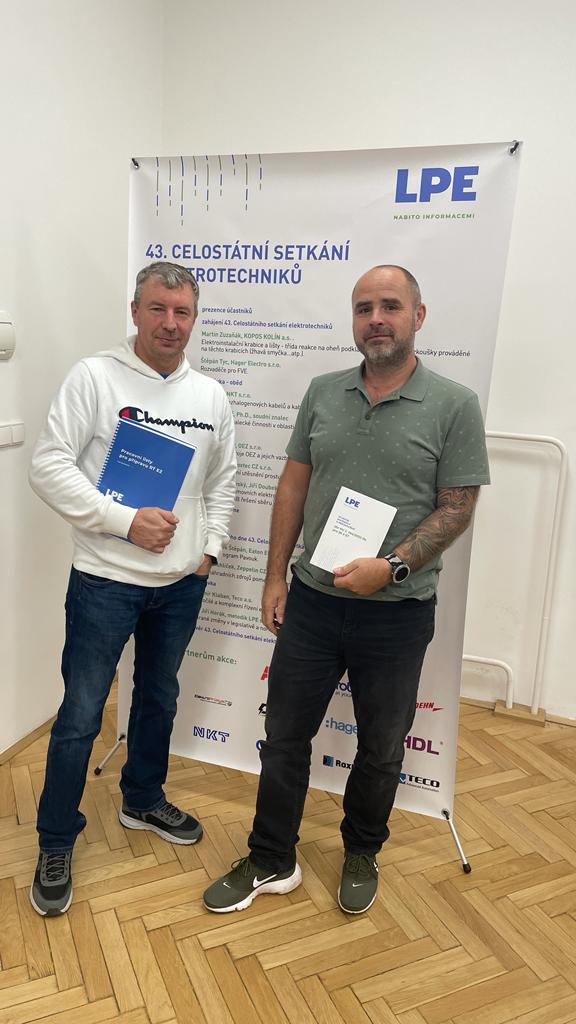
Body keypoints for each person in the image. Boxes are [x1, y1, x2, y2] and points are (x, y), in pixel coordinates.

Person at [203, 264, 489, 916]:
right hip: (312, 600)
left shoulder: (454, 405)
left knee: (382, 747)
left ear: (418, 315)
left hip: (397, 612)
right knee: (283, 737)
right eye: (364, 308)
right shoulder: (322, 392)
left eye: (390, 305)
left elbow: (456, 508)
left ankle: (362, 849)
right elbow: (293, 486)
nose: (376, 319)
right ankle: (271, 857)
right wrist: (275, 574)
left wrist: (391, 567)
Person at [29, 262, 236, 916]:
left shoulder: (210, 395)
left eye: (182, 312)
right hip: (104, 581)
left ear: (193, 318)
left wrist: (209, 549)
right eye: (157, 309)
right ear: (136, 310)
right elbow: (48, 465)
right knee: (81, 714)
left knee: (157, 699)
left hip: (179, 586)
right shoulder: (95, 376)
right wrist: (122, 521)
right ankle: (56, 838)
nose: (170, 323)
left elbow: (223, 479)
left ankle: (142, 799)